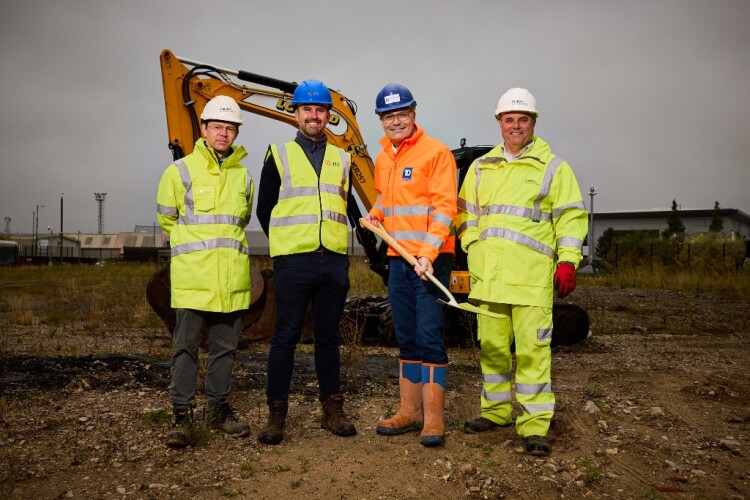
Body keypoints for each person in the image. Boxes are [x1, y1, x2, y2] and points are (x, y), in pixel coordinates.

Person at [456, 88, 588, 456]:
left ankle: (534, 425)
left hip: (530, 280)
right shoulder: (481, 167)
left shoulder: (553, 168)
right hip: (489, 278)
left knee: (533, 354)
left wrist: (567, 261)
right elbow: (465, 212)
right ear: (500, 123)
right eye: (509, 119)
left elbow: (572, 218)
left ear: (533, 123)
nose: (516, 125)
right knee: (493, 349)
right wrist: (471, 243)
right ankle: (496, 412)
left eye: (522, 119)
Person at [256, 79, 356, 445]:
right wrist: (286, 244)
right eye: (307, 110)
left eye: (320, 110)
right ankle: (276, 416)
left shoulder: (342, 158)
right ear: (295, 114)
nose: (314, 116)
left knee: (328, 337)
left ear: (328, 115)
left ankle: (333, 410)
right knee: (285, 337)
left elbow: (343, 206)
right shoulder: (278, 154)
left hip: (332, 261)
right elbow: (264, 209)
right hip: (294, 262)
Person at [156, 95, 254, 448]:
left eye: (230, 128)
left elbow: (240, 220)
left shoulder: (243, 175)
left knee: (225, 350)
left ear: (236, 132)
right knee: (185, 348)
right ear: (204, 129)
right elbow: (166, 218)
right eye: (218, 127)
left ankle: (218, 409)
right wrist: (192, 248)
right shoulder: (180, 170)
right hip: (193, 279)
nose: (223, 134)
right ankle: (182, 416)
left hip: (230, 280)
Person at [363, 83, 457, 447]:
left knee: (429, 335)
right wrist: (375, 213)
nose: (396, 121)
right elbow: (386, 198)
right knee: (406, 335)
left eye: (402, 114)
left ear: (414, 114)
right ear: (381, 121)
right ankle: (409, 412)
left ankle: (433, 420)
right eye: (389, 116)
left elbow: (446, 208)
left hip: (430, 262)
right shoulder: (384, 156)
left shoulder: (436, 153)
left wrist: (428, 255)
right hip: (398, 260)